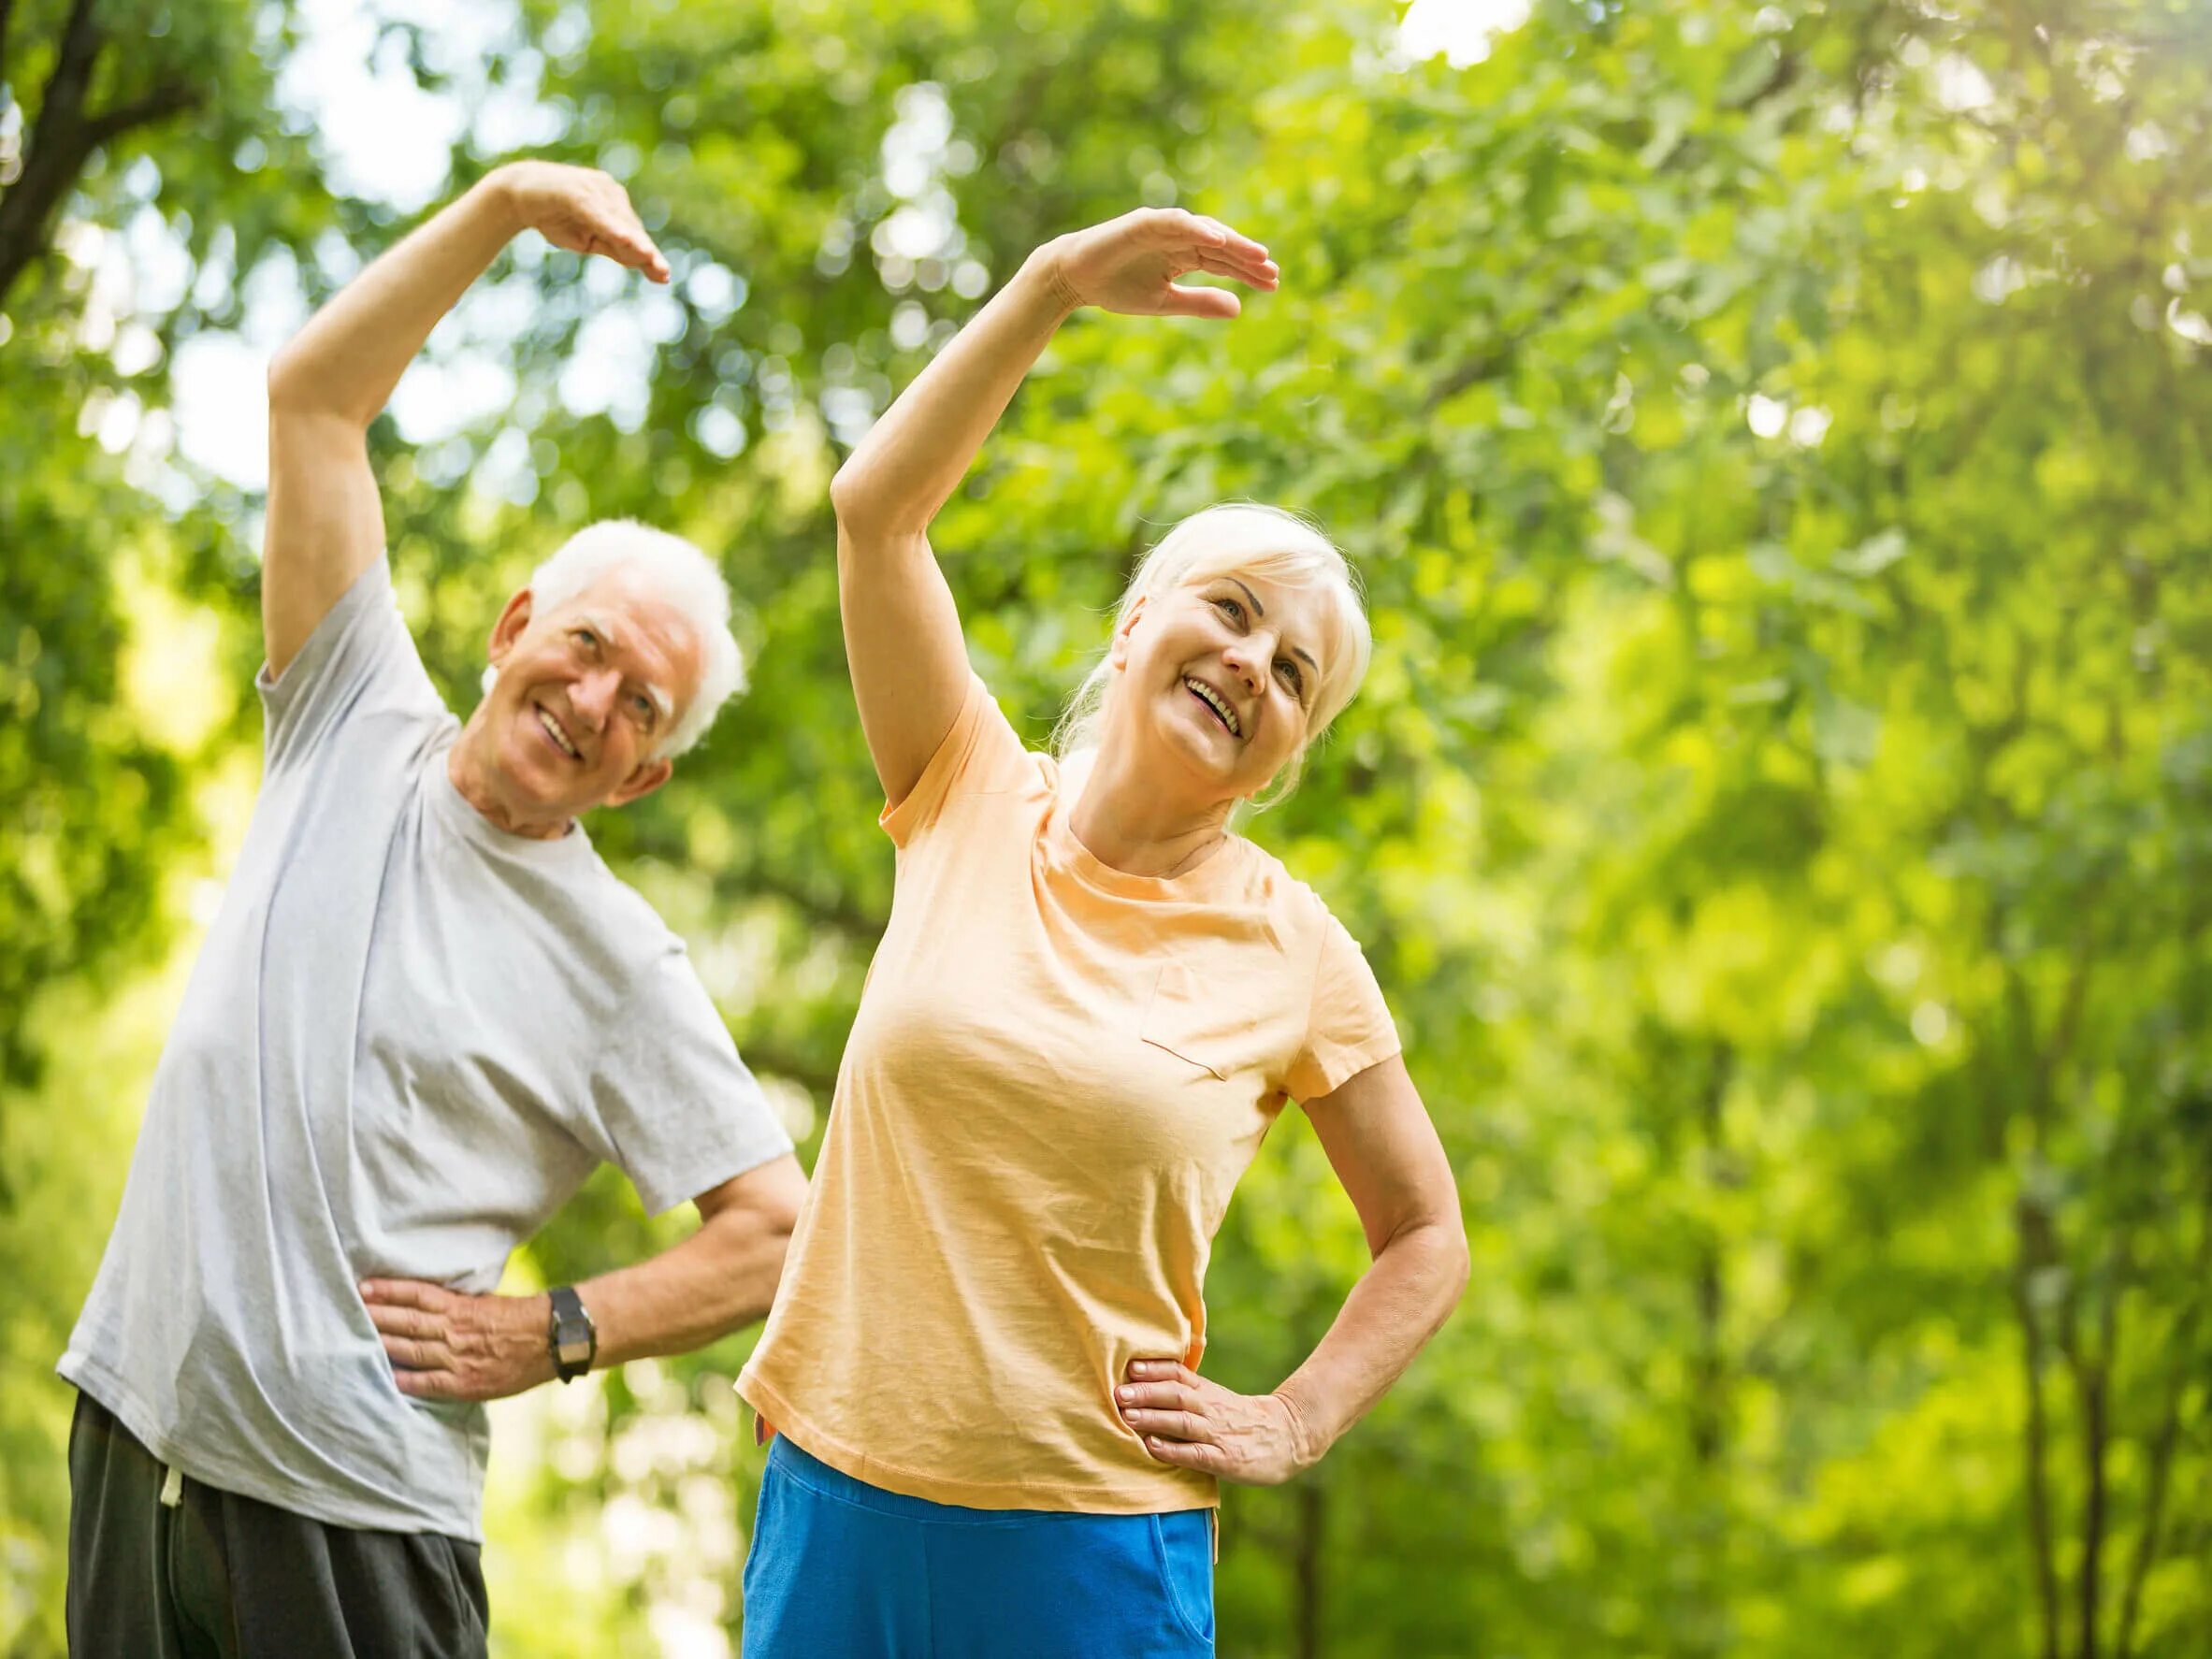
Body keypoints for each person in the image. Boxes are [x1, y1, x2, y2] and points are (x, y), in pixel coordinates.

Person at [59, 161, 807, 1658]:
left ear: (643, 776)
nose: (591, 700)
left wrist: (556, 1332)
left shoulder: (617, 961)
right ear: (513, 626)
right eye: (584, 644)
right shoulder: (349, 707)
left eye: (636, 705)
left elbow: (776, 1230)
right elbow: (314, 398)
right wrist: (506, 206)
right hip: (138, 1433)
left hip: (358, 1516)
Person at [734, 207, 1470, 1656]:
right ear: (1138, 621)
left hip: (1089, 1551)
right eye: (1232, 609)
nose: (1250, 662)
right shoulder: (961, 788)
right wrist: (1056, 285)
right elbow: (875, 510)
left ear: (1281, 755)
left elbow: (1426, 1232)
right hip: (838, 1506)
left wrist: (1293, 1416)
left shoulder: (1295, 948)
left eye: (1293, 672)